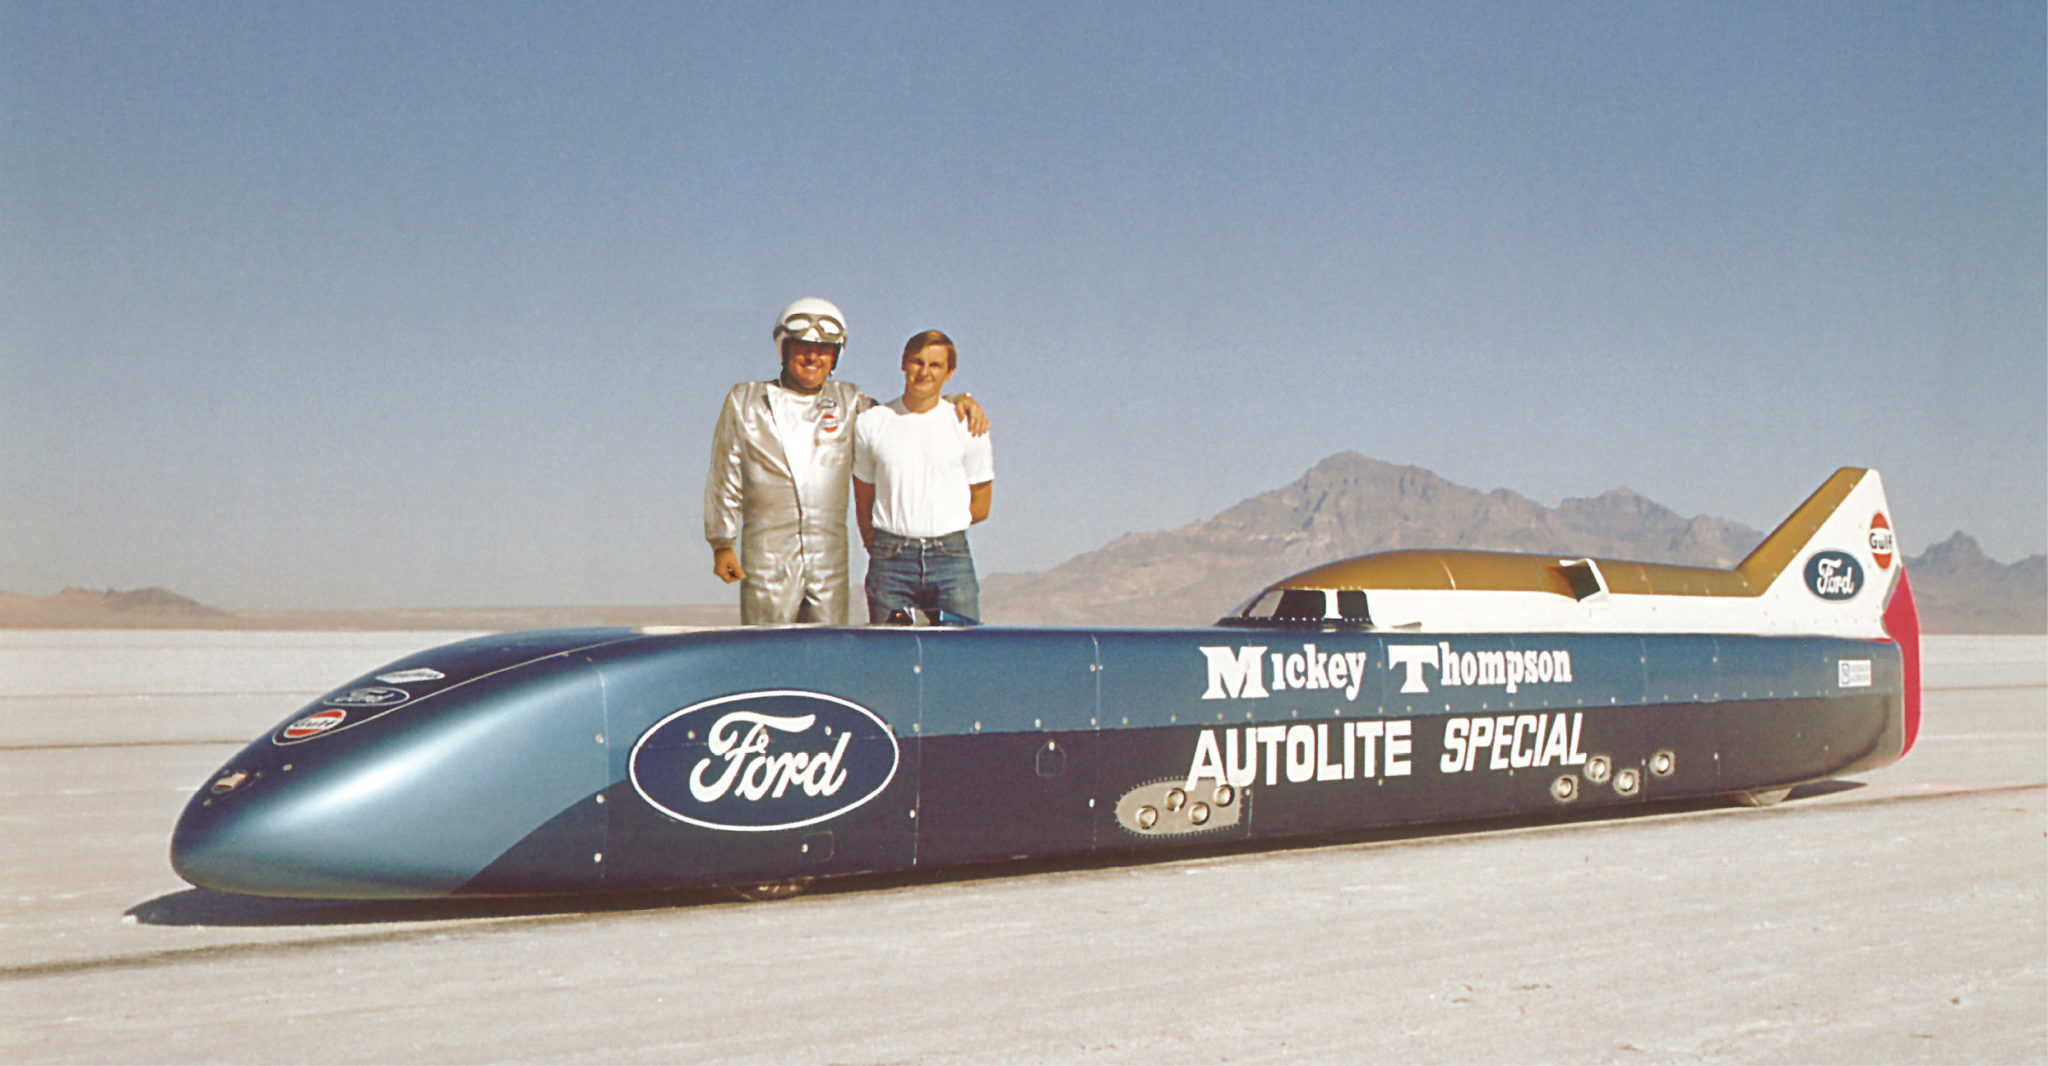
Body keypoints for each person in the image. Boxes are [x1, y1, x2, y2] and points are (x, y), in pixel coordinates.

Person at [704, 299, 986, 624]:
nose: (813, 356)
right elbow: (725, 473)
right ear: (784, 348)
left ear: (835, 355)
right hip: (768, 559)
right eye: (803, 346)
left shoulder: (851, 403)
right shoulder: (746, 401)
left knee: (828, 656)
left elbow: (904, 416)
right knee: (768, 651)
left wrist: (953, 401)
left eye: (824, 348)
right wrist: (721, 541)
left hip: (828, 563)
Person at [852, 330, 994, 624]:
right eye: (917, 362)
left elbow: (981, 504)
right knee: (890, 659)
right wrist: (881, 545)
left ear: (949, 373)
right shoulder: (872, 423)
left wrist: (940, 522)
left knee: (962, 656)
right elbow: (863, 495)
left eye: (935, 365)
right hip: (891, 562)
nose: (924, 372)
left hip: (951, 560)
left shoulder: (968, 424)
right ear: (903, 364)